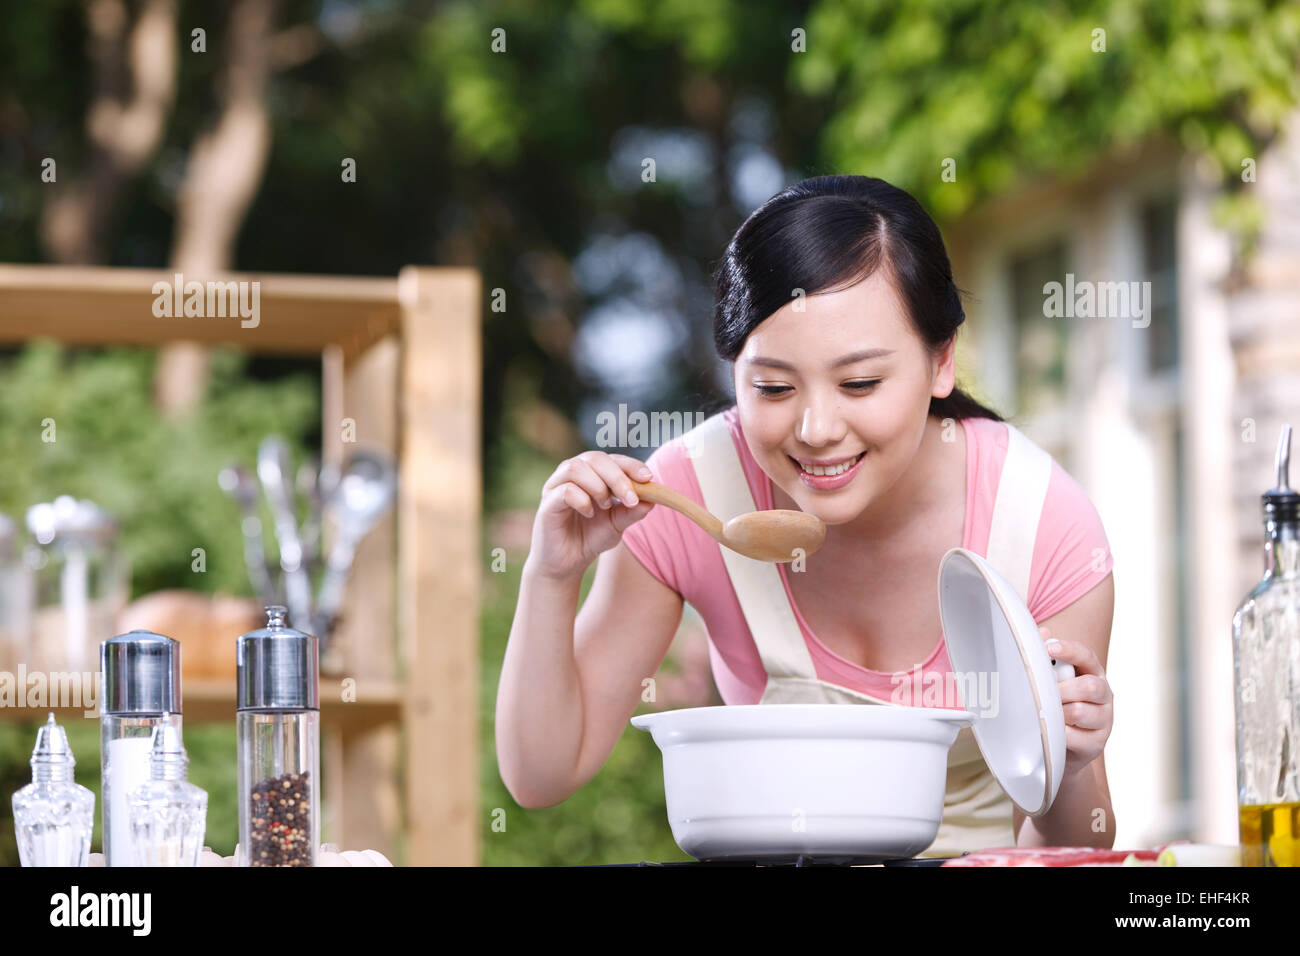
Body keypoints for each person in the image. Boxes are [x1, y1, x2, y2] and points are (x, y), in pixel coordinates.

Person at [496, 174, 1116, 856]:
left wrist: (1074, 761)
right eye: (773, 387)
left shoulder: (1041, 524)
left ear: (942, 361)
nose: (817, 428)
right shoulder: (683, 497)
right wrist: (551, 574)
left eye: (859, 383)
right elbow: (543, 773)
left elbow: (1074, 844)